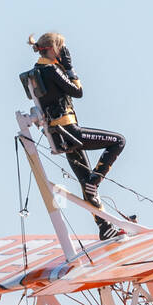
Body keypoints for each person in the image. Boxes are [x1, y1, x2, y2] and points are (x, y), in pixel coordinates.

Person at [27, 32, 126, 240]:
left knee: (84, 182)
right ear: (54, 49)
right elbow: (78, 91)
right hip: (71, 132)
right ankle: (95, 180)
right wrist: (69, 68)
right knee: (118, 141)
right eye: (61, 48)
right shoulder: (51, 70)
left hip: (60, 136)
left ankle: (104, 226)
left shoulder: (35, 72)